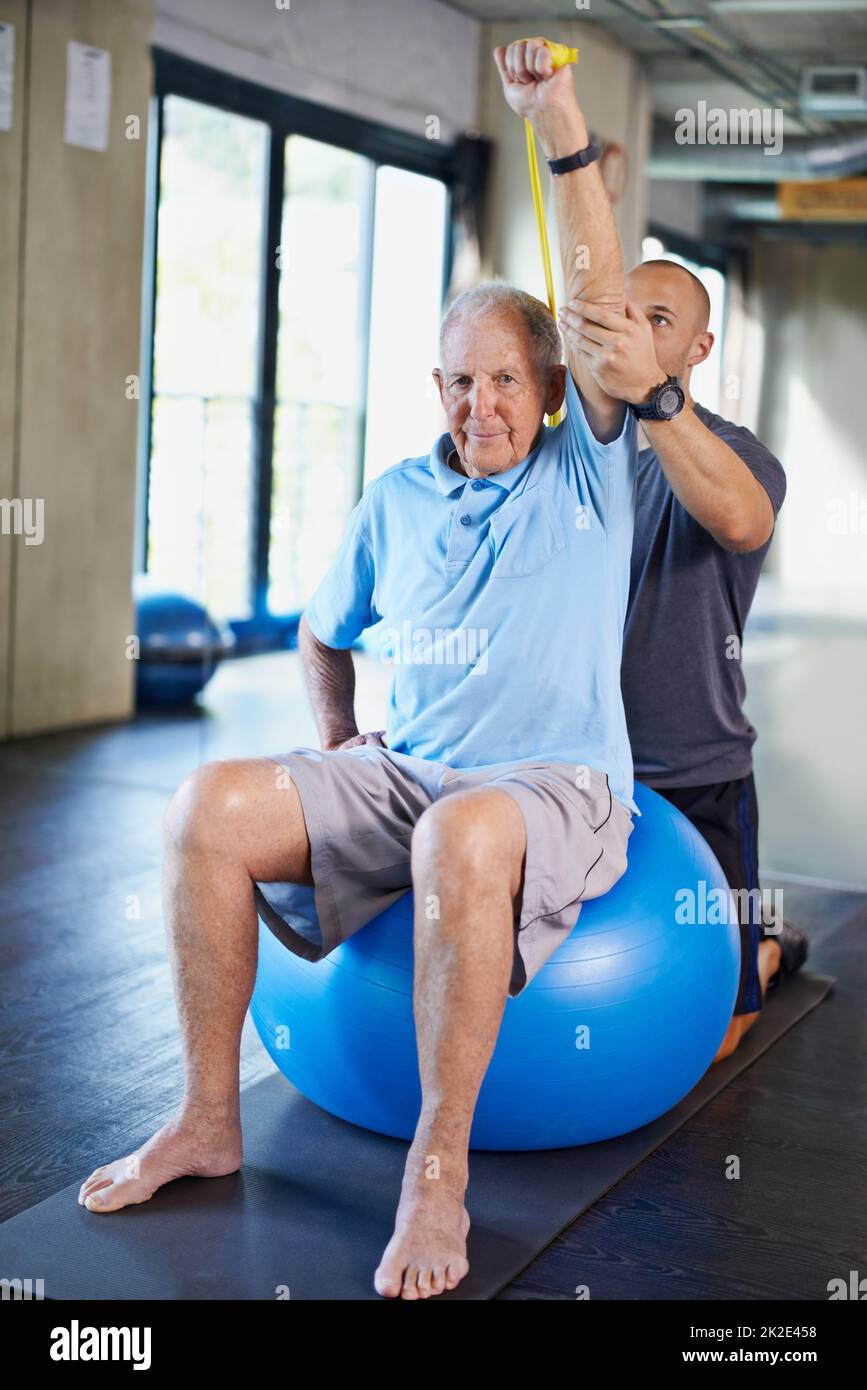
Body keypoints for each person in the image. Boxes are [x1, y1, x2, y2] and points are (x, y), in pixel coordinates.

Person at [78, 39, 641, 1301]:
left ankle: (435, 1174)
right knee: (206, 805)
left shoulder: (588, 472)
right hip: (413, 771)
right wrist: (337, 742)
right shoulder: (397, 496)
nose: (478, 404)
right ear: (433, 387)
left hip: (552, 784)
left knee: (461, 834)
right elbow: (325, 630)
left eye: (504, 379)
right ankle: (206, 1116)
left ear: (551, 390)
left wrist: (557, 116)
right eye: (458, 380)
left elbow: (601, 297)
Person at [558, 259, 809, 1062]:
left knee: (721, 1033)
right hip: (578, 771)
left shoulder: (743, 459)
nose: (632, 330)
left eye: (656, 320)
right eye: (621, 315)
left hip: (697, 768)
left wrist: (652, 399)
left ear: (698, 348)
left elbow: (739, 521)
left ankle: (766, 952)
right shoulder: (575, 459)